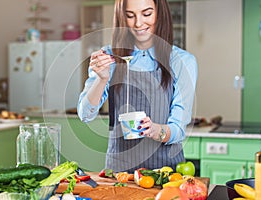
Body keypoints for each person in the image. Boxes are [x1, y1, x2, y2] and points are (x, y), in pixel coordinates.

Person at [77, 0, 197, 173]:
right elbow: (85, 114)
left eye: (147, 14)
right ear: (121, 17)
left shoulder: (182, 61)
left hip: (165, 174)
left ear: (159, 13)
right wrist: (101, 79)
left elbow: (178, 129)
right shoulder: (108, 57)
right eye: (130, 15)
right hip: (119, 173)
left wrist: (156, 130)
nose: (138, 23)